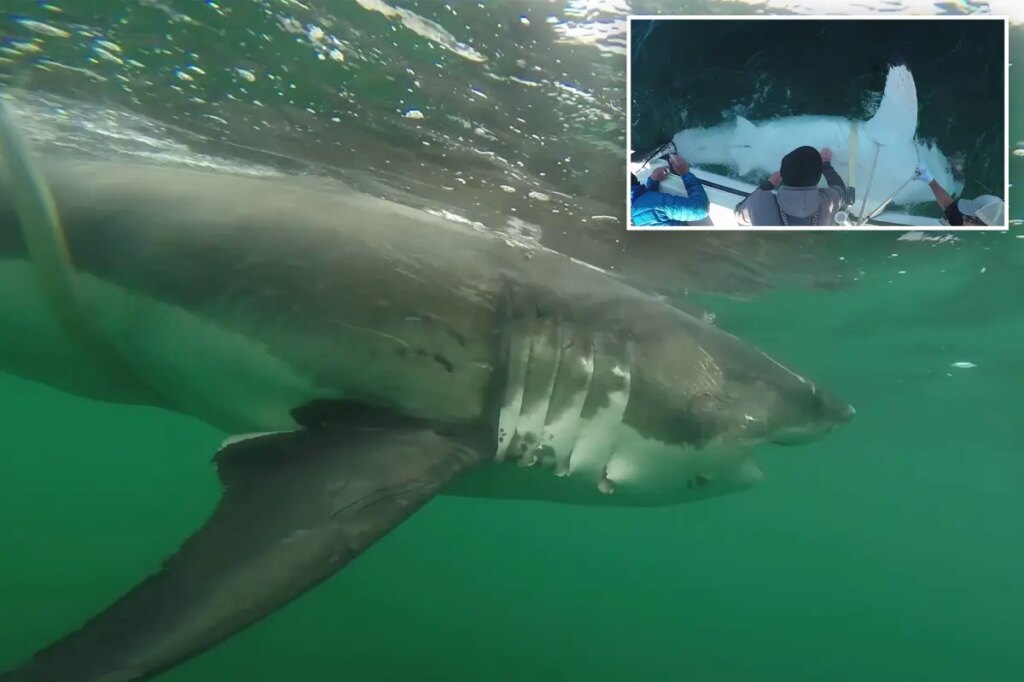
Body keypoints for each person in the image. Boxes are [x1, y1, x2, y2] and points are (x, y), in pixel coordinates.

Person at [734, 145, 848, 226]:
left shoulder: (760, 203)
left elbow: (738, 215)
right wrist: (826, 164)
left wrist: (766, 186)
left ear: (781, 176)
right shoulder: (828, 201)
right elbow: (841, 190)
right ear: (818, 179)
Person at [629, 153, 710, 226]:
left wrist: (653, 181)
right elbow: (701, 210)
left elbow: (646, 213)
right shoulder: (652, 203)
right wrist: (685, 173)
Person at [913, 163, 1005, 226]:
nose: (964, 217)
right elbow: (948, 206)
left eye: (969, 218)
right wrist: (928, 178)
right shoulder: (965, 222)